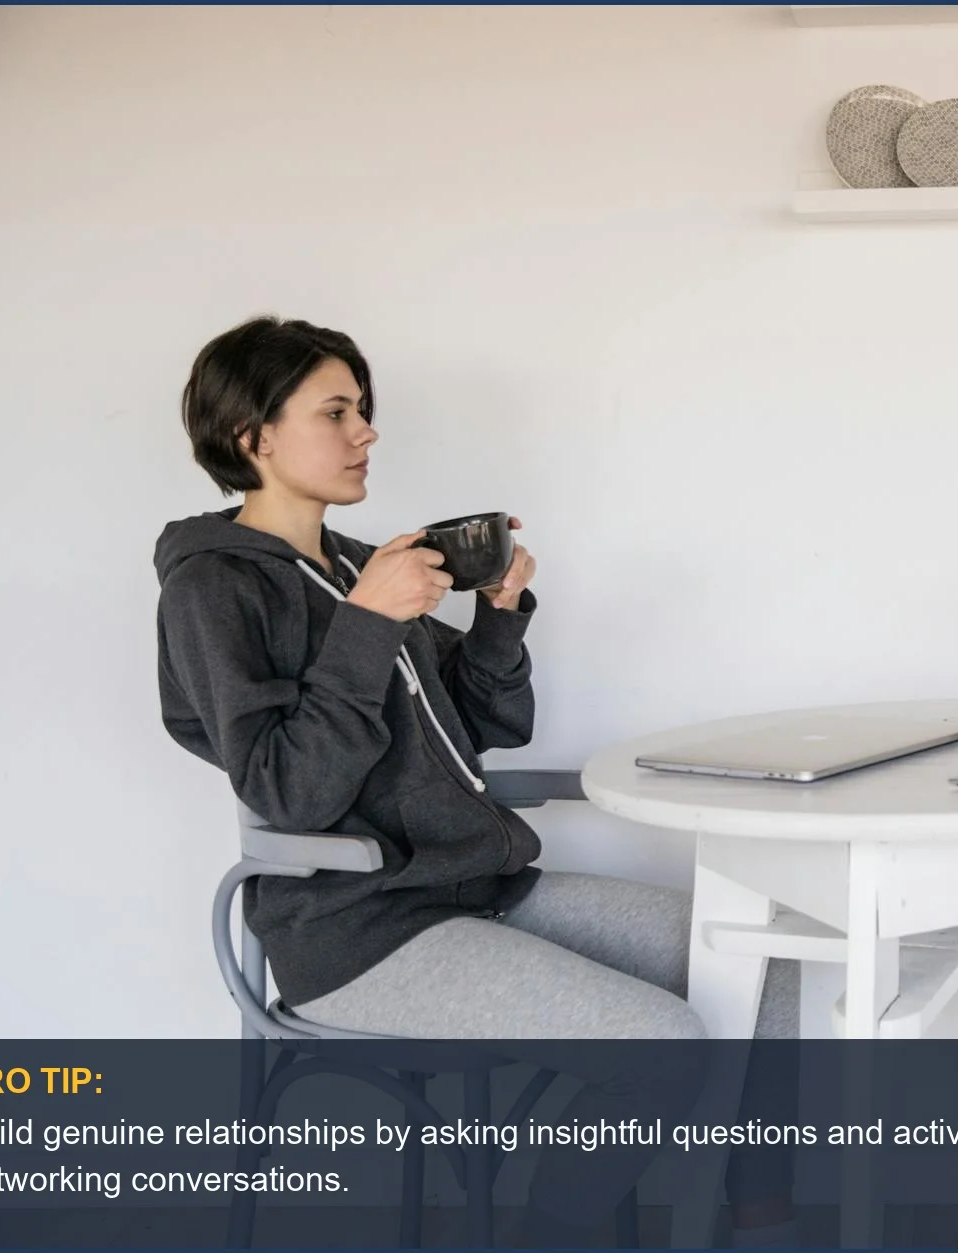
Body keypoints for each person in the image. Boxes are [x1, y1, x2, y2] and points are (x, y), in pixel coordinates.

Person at [156, 316, 801, 1247]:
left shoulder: (353, 565)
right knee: (658, 1048)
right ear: (254, 436)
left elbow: (487, 723)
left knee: (771, 970)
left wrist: (497, 617)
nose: (366, 431)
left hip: (480, 888)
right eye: (335, 411)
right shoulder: (214, 587)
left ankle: (761, 1221)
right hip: (360, 929)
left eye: (364, 410)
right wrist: (370, 623)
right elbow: (285, 787)